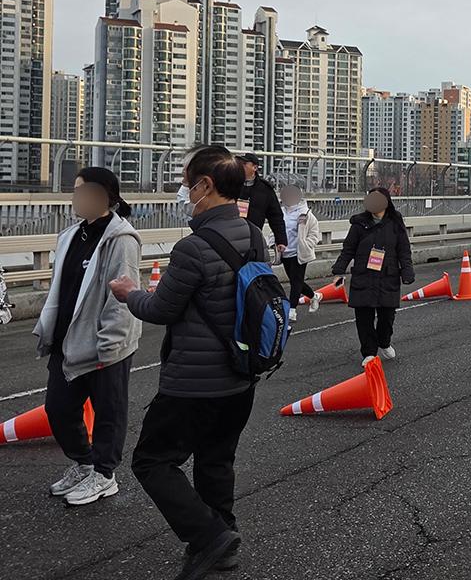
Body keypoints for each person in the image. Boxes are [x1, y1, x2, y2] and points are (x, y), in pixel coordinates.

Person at [109, 146, 262, 579]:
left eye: (185, 181)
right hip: (241, 373)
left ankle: (209, 537)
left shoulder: (193, 247)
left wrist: (127, 293)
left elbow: (161, 309)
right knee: (217, 459)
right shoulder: (253, 236)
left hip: (194, 382)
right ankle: (221, 540)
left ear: (206, 186)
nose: (182, 189)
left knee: (152, 461)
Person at [32, 168, 141, 507]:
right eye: (74, 190)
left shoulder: (120, 239)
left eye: (83, 190)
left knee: (109, 411)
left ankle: (105, 475)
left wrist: (109, 345)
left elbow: (121, 297)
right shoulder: (70, 235)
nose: (76, 197)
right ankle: (84, 461)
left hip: (106, 344)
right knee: (58, 408)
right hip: (67, 340)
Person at [331, 187, 415, 364]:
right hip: (364, 275)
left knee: (387, 316)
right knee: (364, 317)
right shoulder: (359, 224)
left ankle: (384, 342)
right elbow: (348, 249)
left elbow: (404, 250)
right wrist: (339, 270)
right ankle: (369, 352)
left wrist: (407, 271)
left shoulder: (395, 222)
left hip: (388, 275)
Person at [279, 184, 322, 322]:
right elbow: (276, 229)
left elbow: (314, 234)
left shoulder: (306, 214)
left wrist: (305, 245)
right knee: (295, 281)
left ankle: (292, 310)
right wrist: (274, 242)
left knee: (296, 282)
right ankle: (314, 296)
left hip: (299, 253)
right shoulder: (281, 212)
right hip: (285, 252)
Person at [235, 153, 287, 262]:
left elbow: (275, 216)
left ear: (254, 167)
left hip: (253, 238)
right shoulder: (230, 185)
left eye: (244, 164)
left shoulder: (265, 189)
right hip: (232, 237)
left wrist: (280, 240)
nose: (239, 166)